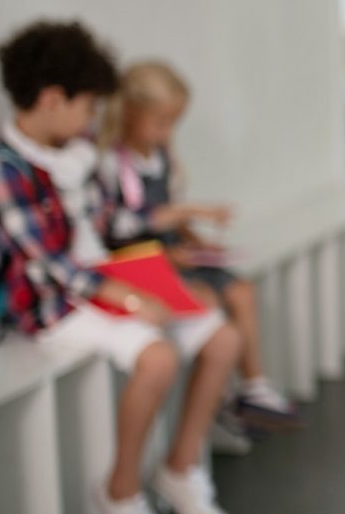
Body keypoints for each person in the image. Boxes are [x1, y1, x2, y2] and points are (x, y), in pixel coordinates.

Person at [0, 21, 241, 514]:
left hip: (105, 281)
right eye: (89, 106)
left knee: (222, 336)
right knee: (159, 355)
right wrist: (128, 296)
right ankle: (121, 492)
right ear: (52, 100)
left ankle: (180, 468)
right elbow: (48, 265)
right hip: (54, 305)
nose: (94, 120)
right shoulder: (4, 171)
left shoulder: (74, 154)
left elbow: (106, 223)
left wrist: (163, 250)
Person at [96, 60, 302, 454]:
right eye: (161, 122)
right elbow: (117, 229)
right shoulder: (111, 163)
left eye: (173, 123)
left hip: (176, 252)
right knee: (209, 311)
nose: (167, 133)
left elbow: (172, 213)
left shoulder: (163, 158)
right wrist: (186, 216)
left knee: (241, 290)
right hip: (143, 263)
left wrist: (199, 241)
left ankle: (255, 388)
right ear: (129, 112)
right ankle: (223, 408)